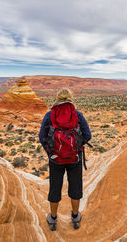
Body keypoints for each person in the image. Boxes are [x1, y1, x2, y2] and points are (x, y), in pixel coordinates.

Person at [39, 88, 91, 231]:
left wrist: (51, 152)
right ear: (70, 99)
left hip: (55, 159)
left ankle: (53, 219)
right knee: (75, 188)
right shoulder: (77, 115)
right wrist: (77, 148)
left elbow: (41, 137)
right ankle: (75, 217)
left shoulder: (50, 115)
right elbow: (88, 135)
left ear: (57, 99)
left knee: (55, 188)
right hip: (75, 158)